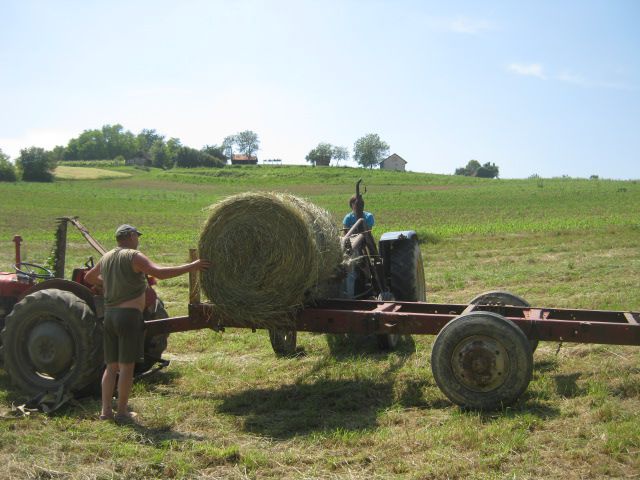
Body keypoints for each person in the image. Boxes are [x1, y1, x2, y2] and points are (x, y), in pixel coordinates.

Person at [85, 224, 210, 423]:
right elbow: (159, 273)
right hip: (128, 317)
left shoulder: (107, 256)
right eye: (137, 236)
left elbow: (89, 277)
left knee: (111, 366)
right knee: (127, 367)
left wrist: (111, 283)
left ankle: (105, 411)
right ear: (132, 236)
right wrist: (192, 266)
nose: (138, 240)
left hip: (109, 316)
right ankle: (123, 411)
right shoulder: (134, 256)